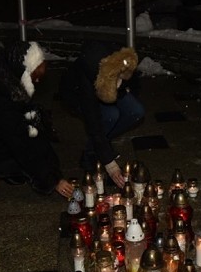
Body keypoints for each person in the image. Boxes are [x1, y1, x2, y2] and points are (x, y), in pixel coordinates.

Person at [0, 41, 74, 200]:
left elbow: (29, 130)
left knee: (30, 133)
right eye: (34, 77)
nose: (37, 82)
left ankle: (7, 170)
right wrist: (53, 180)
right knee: (20, 156)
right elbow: (20, 143)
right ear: (23, 71)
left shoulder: (2, 75)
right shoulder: (2, 96)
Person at [59, 41, 144, 188]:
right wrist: (110, 165)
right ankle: (91, 154)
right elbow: (94, 123)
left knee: (135, 111)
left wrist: (124, 88)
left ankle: (101, 145)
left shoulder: (119, 58)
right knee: (111, 115)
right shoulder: (86, 81)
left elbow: (133, 80)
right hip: (78, 96)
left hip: (110, 86)